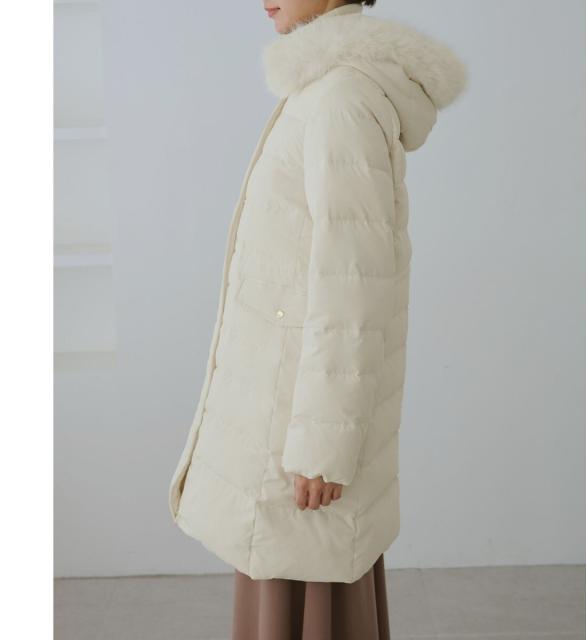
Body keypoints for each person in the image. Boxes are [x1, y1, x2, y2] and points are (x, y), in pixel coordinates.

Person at [168, 1, 467, 637]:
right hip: (285, 419)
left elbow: (352, 289)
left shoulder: (340, 100)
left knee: (300, 587)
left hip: (297, 442)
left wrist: (323, 450)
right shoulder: (324, 88)